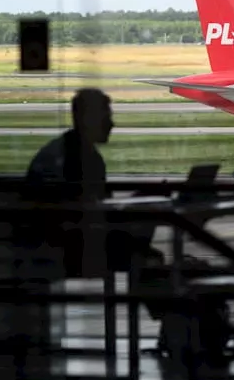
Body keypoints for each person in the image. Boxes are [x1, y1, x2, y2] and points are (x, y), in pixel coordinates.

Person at [18, 88, 160, 279]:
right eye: (106, 117)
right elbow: (85, 215)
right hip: (64, 247)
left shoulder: (68, 151)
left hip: (54, 243)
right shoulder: (81, 159)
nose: (112, 124)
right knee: (148, 258)